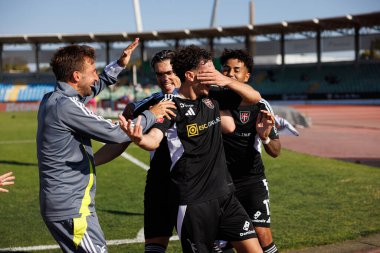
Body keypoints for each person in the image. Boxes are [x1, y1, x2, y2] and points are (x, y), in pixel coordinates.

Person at [120, 45, 264, 253]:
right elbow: (153, 140)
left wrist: (225, 80)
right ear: (190, 75)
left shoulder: (212, 96)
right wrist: (139, 138)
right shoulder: (170, 106)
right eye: (208, 71)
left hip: (225, 196)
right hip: (193, 203)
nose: (214, 75)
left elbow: (254, 97)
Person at [36, 38, 176, 253]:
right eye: (93, 71)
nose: (96, 76)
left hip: (68, 202)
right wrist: (152, 114)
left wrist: (118, 65)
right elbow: (116, 134)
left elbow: (92, 87)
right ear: (76, 76)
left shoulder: (52, 98)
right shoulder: (66, 106)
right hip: (71, 205)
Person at [95, 49, 180, 253]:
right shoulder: (149, 105)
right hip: (158, 184)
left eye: (169, 72)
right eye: (160, 74)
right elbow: (122, 138)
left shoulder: (202, 100)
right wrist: (90, 161)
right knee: (153, 248)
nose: (165, 78)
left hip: (192, 185)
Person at [215, 48, 281, 253]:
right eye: (226, 69)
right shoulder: (211, 100)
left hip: (251, 179)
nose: (230, 74)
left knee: (262, 235)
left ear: (247, 76)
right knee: (222, 240)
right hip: (220, 182)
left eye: (237, 70)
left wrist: (265, 136)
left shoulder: (260, 105)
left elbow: (276, 150)